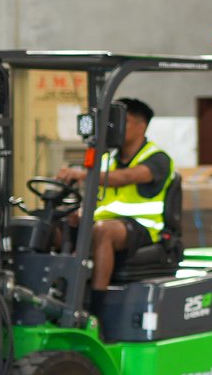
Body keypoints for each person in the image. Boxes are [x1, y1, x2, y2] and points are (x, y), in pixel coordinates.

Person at [58, 97, 179, 292]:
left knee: (103, 231)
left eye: (124, 121)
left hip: (143, 227)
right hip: (105, 221)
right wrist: (79, 212)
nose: (115, 127)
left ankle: (98, 300)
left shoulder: (157, 158)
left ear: (141, 127)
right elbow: (99, 195)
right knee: (54, 226)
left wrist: (83, 174)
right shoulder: (107, 159)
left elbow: (124, 177)